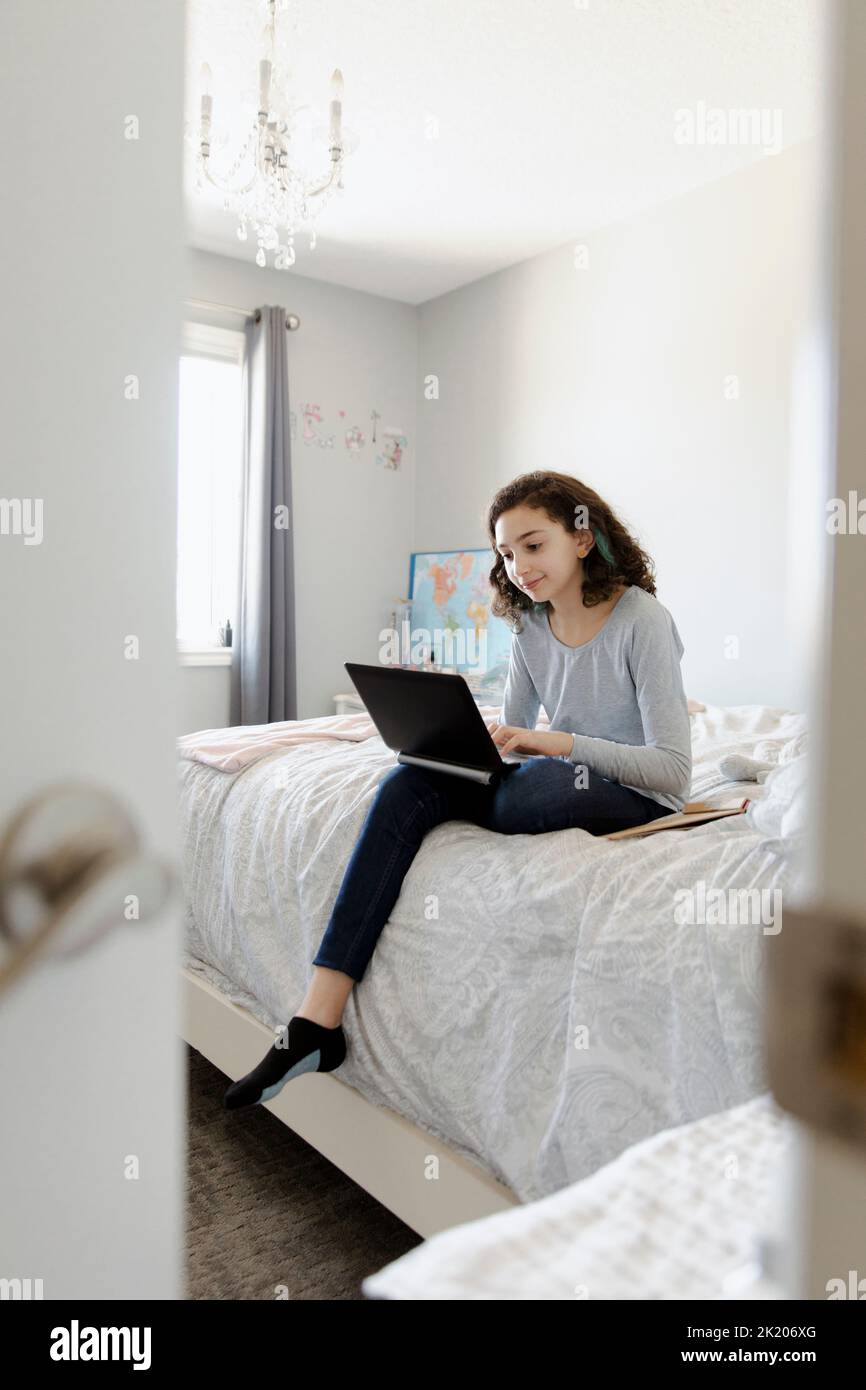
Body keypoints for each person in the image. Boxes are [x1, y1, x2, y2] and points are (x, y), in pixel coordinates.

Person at [223, 469, 692, 1110]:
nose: (519, 565)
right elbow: (515, 733)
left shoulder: (643, 621)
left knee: (536, 789)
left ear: (582, 540)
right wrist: (466, 747)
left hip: (630, 790)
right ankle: (316, 1021)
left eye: (533, 544)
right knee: (406, 784)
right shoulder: (529, 627)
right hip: (550, 777)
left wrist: (556, 743)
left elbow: (673, 771)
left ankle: (318, 1020)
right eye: (505, 552)